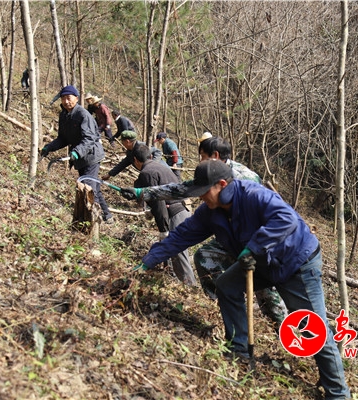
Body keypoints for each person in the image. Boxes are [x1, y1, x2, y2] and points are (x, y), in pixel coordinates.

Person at [135, 160, 351, 399]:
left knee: (312, 326)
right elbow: (181, 236)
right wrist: (149, 260)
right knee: (227, 285)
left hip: (296, 262)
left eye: (204, 191)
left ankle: (338, 393)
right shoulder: (210, 212)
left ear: (222, 184)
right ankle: (239, 349)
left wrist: (254, 247)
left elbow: (286, 219)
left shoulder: (254, 195)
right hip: (261, 262)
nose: (201, 197)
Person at [118, 136, 288, 327]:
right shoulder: (209, 177)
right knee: (205, 256)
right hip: (231, 236)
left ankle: (283, 328)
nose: (200, 161)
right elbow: (182, 189)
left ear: (215, 156)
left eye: (202, 156)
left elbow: (275, 217)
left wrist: (255, 248)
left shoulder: (242, 178)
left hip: (260, 242)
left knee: (267, 289)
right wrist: (143, 193)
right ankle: (223, 304)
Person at [40, 85, 114, 224]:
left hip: (91, 155)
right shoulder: (63, 115)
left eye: (69, 98)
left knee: (88, 187)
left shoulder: (83, 114)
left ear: (76, 98)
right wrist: (49, 147)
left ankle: (94, 222)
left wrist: (77, 152)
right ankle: (108, 216)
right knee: (93, 186)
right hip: (79, 157)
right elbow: (63, 138)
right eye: (63, 98)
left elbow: (89, 138)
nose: (66, 101)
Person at [132, 144, 195, 285]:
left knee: (178, 254)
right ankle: (170, 282)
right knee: (169, 251)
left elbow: (158, 202)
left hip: (175, 213)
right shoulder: (160, 166)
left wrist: (163, 229)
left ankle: (190, 288)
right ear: (150, 156)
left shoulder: (146, 173)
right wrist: (151, 212)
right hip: (183, 208)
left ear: (135, 160)